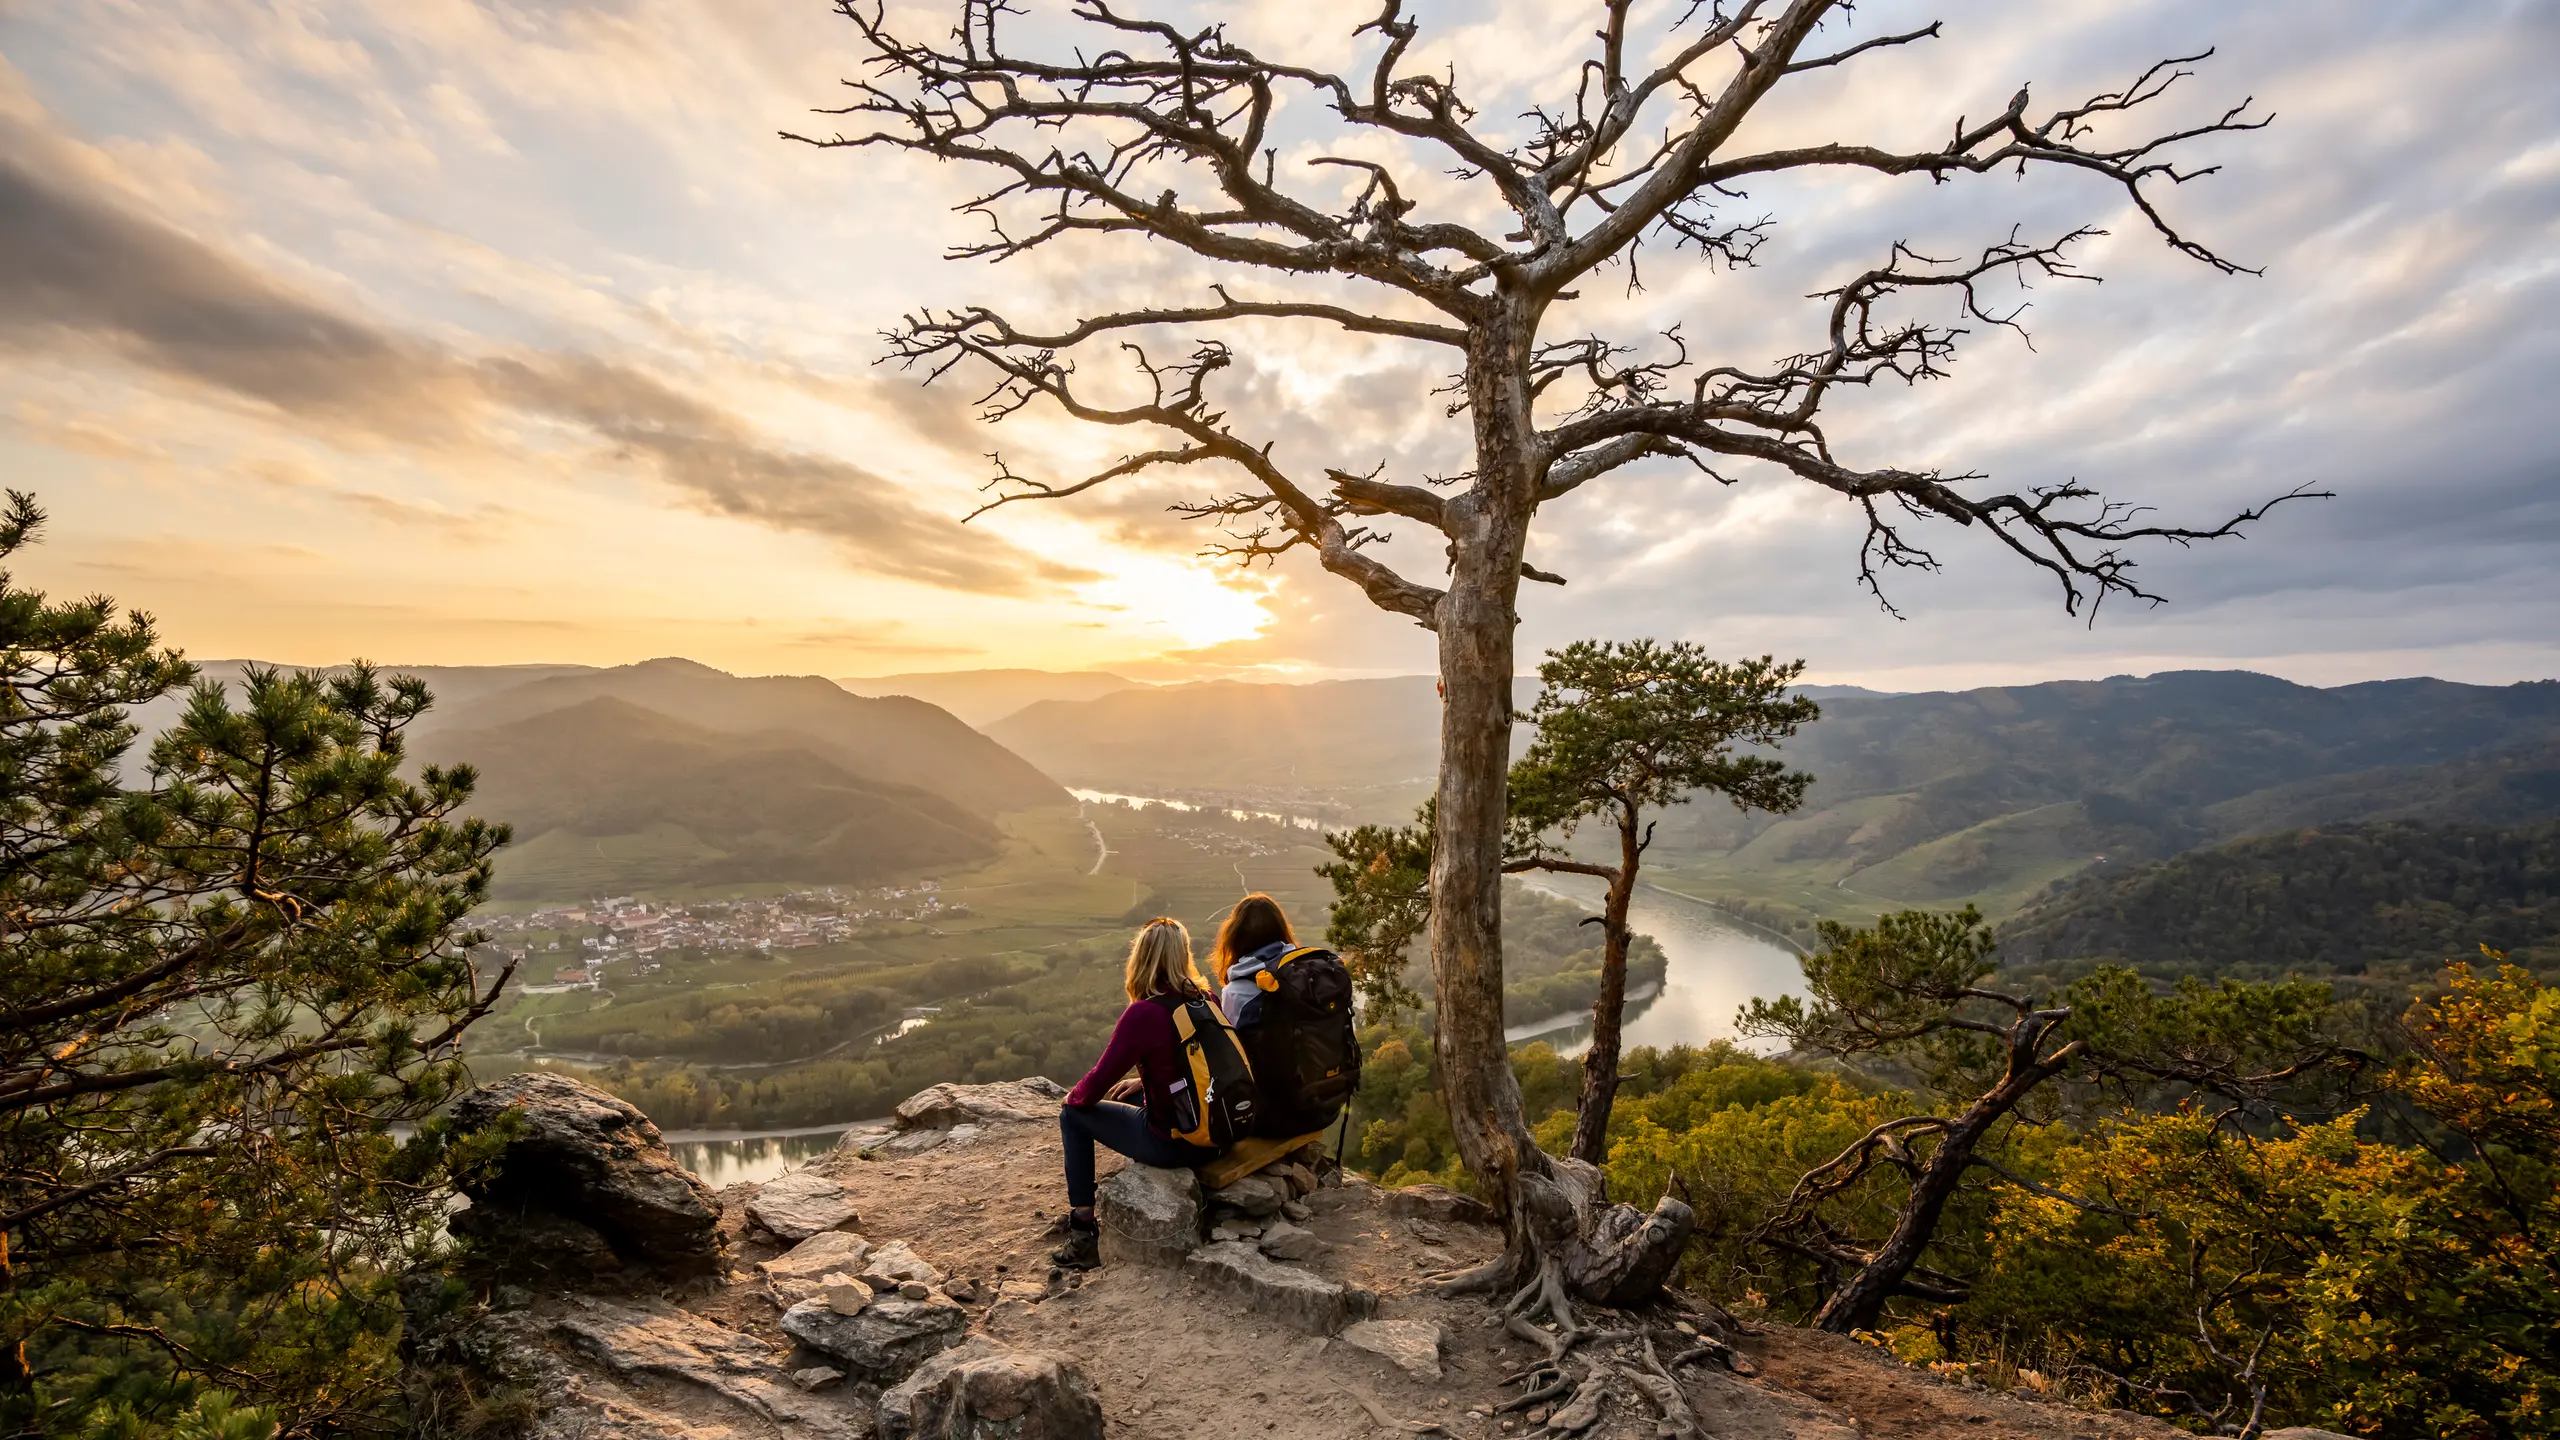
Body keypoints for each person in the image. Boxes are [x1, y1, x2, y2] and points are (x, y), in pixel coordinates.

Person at [1049, 916, 1222, 1268]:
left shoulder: (1143, 1013)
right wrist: (1144, 1083)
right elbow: (1202, 1070)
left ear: (1140, 957)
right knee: (1127, 1096)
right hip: (1218, 1134)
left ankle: (1083, 1231)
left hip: (1174, 1144)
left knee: (1073, 1116)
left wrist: (1073, 1098)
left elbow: (1096, 1083)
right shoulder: (1205, 1000)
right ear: (1183, 955)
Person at [1210, 892, 1296, 1029]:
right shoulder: (1306, 971)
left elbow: (1234, 1046)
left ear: (1235, 936)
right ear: (1282, 930)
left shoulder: (1235, 993)